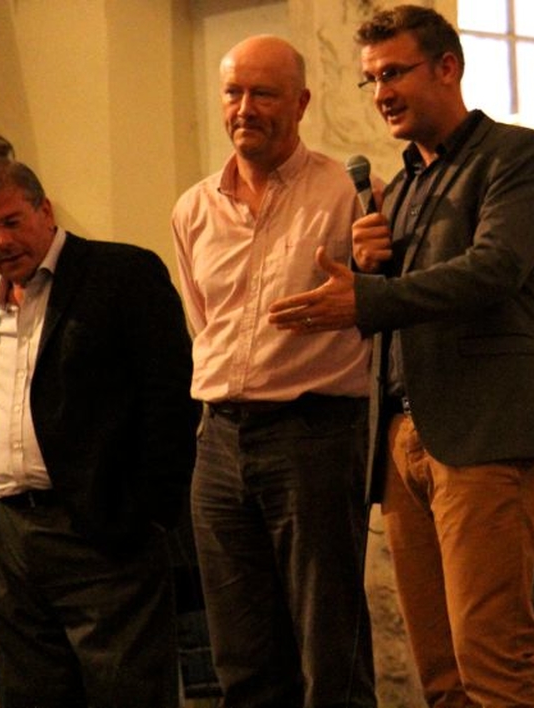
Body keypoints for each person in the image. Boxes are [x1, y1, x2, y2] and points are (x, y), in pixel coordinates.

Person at [268, 6, 534, 707]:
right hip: (402, 439)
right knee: (439, 675)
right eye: (371, 79)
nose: (381, 94)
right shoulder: (398, 189)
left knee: (495, 661)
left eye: (395, 72)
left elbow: (493, 270)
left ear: (447, 67)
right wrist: (367, 266)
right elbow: (398, 305)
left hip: (484, 435)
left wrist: (368, 298)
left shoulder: (517, 156)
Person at [0, 157, 199, 708]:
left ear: (45, 210)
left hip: (101, 535)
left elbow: (173, 401)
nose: (0, 241)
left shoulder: (122, 276)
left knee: (127, 694)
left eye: (12, 221)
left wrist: (146, 514)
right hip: (8, 538)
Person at [171, 35, 377, 708]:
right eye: (234, 92)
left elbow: (380, 308)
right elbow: (207, 325)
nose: (245, 107)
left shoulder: (347, 195)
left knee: (330, 650)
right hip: (219, 443)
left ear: (302, 103)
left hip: (313, 435)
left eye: (264, 93)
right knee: (241, 657)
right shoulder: (194, 209)